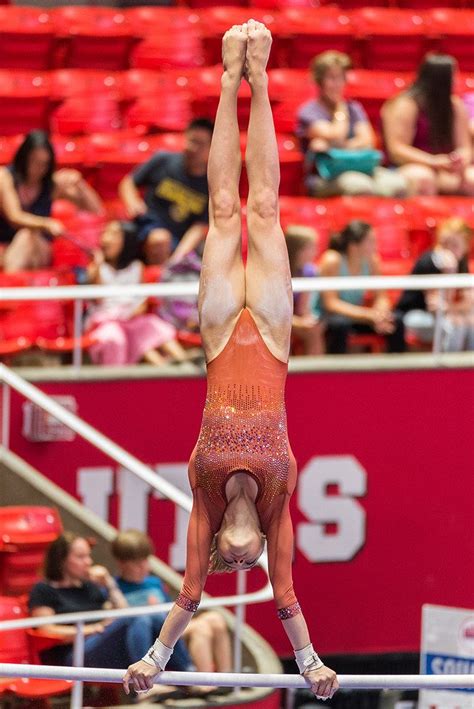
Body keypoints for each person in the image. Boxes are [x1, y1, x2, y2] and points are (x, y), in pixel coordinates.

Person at [123, 21, 339, 702]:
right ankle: (263, 78)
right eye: (253, 564)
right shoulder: (278, 507)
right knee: (266, 210)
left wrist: (155, 661)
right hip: (272, 340)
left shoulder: (202, 500)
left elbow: (186, 597)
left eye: (230, 563)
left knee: (224, 212)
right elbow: (289, 597)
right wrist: (311, 666)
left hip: (219, 341)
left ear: (219, 547)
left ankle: (227, 79)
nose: (244, 562)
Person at [112, 529, 232, 689]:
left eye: (146, 560)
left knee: (215, 619)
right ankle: (203, 685)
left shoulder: (154, 582)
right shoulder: (115, 588)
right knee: (201, 629)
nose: (144, 567)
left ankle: (226, 680)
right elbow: (122, 619)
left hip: (168, 627)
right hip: (155, 637)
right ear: (121, 563)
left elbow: (171, 613)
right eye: (137, 563)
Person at [296, 50, 406, 198]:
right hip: (325, 176)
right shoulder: (309, 111)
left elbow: (368, 141)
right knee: (359, 186)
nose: (337, 84)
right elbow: (337, 135)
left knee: (397, 185)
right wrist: (340, 109)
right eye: (332, 78)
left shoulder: (354, 108)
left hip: (361, 167)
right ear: (319, 81)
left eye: (341, 78)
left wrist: (331, 147)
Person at [85, 220, 189, 366]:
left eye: (114, 234)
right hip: (106, 321)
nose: (106, 238)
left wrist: (136, 310)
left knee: (152, 326)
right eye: (105, 233)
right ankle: (163, 369)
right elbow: (97, 299)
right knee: (118, 335)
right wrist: (97, 264)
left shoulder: (137, 267)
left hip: (131, 319)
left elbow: (142, 299)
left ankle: (183, 364)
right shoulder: (97, 269)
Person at [0, 130, 103, 272]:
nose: (39, 169)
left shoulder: (51, 185)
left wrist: (80, 184)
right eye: (34, 162)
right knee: (26, 235)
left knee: (30, 238)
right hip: (7, 248)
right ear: (23, 158)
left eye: (44, 164)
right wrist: (45, 223)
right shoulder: (5, 177)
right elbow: (14, 217)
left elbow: (96, 210)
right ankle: (12, 285)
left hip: (40, 250)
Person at [119, 118, 213, 265]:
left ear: (212, 147)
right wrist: (133, 202)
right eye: (191, 141)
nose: (193, 148)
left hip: (179, 238)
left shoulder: (211, 183)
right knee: (159, 239)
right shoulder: (162, 160)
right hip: (148, 225)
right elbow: (128, 182)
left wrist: (179, 256)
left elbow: (200, 226)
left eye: (200, 144)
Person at [382, 53, 474, 196]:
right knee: (424, 178)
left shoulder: (455, 105)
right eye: (454, 75)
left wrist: (460, 159)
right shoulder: (406, 105)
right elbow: (397, 149)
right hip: (409, 165)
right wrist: (433, 161)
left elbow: (464, 146)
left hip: (446, 166)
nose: (456, 80)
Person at [314, 220, 405, 354]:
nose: (376, 246)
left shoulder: (372, 260)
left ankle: (397, 371)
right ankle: (335, 373)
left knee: (396, 321)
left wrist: (381, 313)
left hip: (358, 316)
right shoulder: (332, 260)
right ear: (354, 245)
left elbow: (381, 296)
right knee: (340, 325)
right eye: (371, 241)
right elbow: (331, 304)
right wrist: (368, 315)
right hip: (329, 317)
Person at [397, 218, 473, 351]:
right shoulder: (429, 261)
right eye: (445, 244)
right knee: (454, 326)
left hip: (441, 314)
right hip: (415, 315)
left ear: (466, 246)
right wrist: (449, 271)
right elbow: (436, 306)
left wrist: (456, 310)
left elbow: (468, 302)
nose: (449, 249)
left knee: (470, 323)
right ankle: (449, 370)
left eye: (455, 245)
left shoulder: (462, 261)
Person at [285, 225, 324, 355]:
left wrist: (306, 320)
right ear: (298, 251)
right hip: (275, 318)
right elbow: (273, 312)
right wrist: (298, 322)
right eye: (311, 248)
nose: (315, 252)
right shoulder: (276, 272)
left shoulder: (310, 272)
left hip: (293, 318)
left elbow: (303, 308)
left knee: (314, 330)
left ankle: (314, 373)